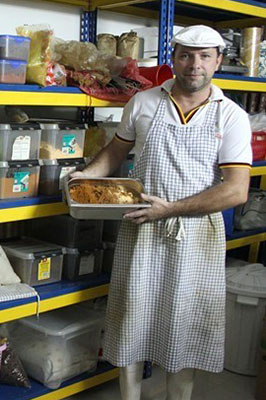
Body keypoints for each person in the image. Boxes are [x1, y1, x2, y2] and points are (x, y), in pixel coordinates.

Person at [72, 25, 252, 400]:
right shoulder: (143, 102)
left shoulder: (230, 116)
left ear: (218, 61)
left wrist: (171, 209)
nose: (194, 65)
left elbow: (236, 190)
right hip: (142, 226)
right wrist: (85, 176)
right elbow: (116, 152)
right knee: (133, 318)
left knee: (185, 326)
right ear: (173, 59)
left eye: (204, 57)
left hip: (197, 236)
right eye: (186, 55)